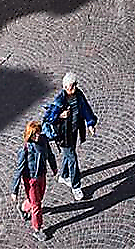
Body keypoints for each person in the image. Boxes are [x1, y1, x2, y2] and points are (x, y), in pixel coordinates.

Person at [41, 73, 97, 202]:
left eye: (76, 85)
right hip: (63, 135)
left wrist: (90, 123)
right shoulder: (59, 101)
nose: (75, 88)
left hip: (73, 131)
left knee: (70, 154)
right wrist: (60, 115)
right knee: (73, 158)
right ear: (66, 87)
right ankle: (76, 186)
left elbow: (85, 108)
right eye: (72, 86)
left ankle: (64, 175)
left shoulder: (78, 94)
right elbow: (48, 119)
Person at [14, 119, 56, 240]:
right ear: (30, 135)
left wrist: (53, 167)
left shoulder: (43, 140)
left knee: (38, 199)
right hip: (31, 180)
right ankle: (37, 229)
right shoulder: (25, 150)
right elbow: (19, 170)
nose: (37, 136)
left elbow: (50, 154)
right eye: (35, 134)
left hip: (42, 175)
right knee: (37, 205)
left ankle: (23, 208)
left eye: (38, 133)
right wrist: (14, 190)